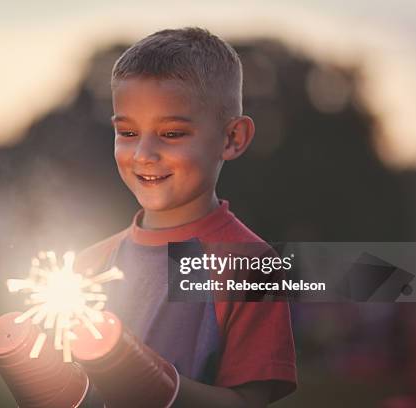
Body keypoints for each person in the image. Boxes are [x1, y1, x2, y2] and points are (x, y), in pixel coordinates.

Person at [75, 27, 297, 407]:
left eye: (172, 133)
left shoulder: (248, 265)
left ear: (233, 139)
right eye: (127, 131)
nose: (144, 153)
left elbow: (250, 402)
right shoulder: (89, 265)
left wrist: (156, 386)